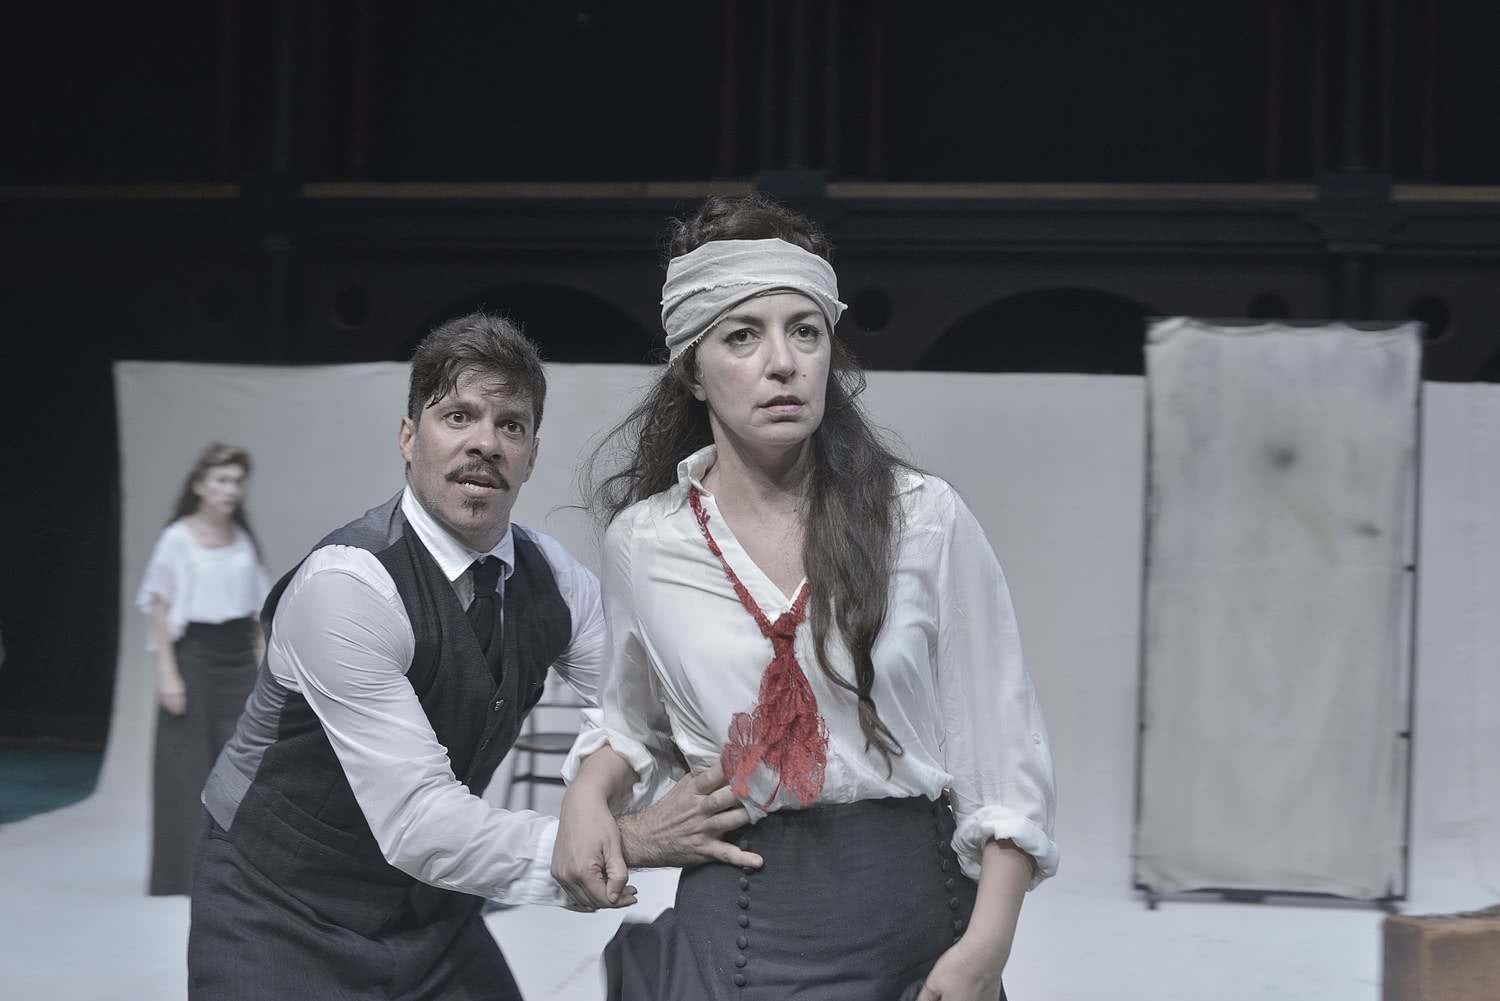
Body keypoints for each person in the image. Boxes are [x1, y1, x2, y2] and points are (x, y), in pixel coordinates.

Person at [553, 194, 1060, 1001]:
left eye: (805, 331)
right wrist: (587, 790)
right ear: (690, 370)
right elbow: (630, 719)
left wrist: (985, 950)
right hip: (733, 929)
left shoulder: (921, 519)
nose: (782, 362)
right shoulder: (646, 544)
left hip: (917, 934)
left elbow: (1004, 749)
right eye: (742, 335)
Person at [187, 313, 654, 1000]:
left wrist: (592, 787)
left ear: (530, 456)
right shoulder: (346, 586)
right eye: (458, 416)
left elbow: (634, 712)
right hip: (278, 908)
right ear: (408, 437)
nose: (485, 443)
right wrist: (634, 841)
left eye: (510, 425)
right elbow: (416, 819)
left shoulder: (554, 579)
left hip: (431, 909)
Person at [136, 442, 270, 896]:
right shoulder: (177, 538)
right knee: (185, 768)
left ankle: (238, 871)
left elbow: (256, 611)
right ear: (199, 486)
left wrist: (265, 666)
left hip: (237, 659)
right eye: (221, 480)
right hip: (192, 656)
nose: (231, 490)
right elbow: (158, 605)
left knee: (243, 765)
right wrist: (168, 676)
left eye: (237, 482)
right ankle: (181, 873)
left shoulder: (242, 538)